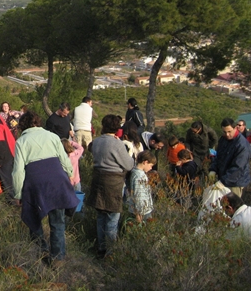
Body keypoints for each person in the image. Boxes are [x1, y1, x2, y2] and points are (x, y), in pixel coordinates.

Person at [12, 111, 78, 263]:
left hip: (35, 184)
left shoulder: (21, 142)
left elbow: (18, 171)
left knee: (34, 220)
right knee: (58, 223)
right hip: (57, 181)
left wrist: (18, 194)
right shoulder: (53, 136)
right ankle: (58, 258)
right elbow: (64, 159)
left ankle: (40, 254)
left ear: (23, 126)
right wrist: (70, 174)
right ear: (38, 121)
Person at [87, 114, 135, 257]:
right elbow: (128, 164)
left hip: (97, 179)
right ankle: (111, 252)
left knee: (101, 216)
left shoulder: (96, 142)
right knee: (112, 219)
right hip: (113, 182)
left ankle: (101, 249)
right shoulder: (117, 143)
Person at [209, 118, 251, 198]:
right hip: (224, 178)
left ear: (235, 128)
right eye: (224, 132)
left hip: (236, 182)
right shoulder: (223, 139)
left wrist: (223, 181)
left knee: (233, 207)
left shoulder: (242, 144)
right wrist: (213, 169)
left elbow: (238, 167)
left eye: (229, 131)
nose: (227, 134)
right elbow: (218, 156)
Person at [128, 150, 156, 223]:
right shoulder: (139, 176)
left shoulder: (137, 173)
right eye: (151, 165)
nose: (151, 168)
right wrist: (138, 213)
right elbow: (138, 195)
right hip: (142, 211)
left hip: (142, 209)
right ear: (145, 162)